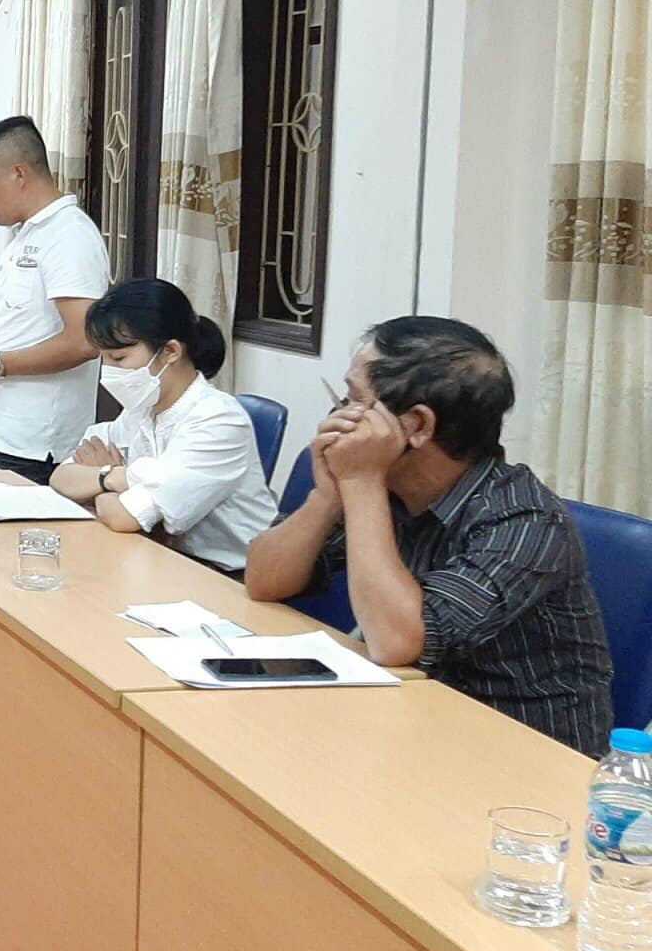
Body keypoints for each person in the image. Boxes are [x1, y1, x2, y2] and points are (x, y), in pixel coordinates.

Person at [244, 317, 614, 755]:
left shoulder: (525, 521)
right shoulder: (389, 487)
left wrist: (360, 482)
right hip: (416, 720)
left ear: (418, 425)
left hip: (523, 754)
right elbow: (263, 580)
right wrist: (327, 498)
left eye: (354, 400)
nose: (337, 415)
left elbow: (395, 643)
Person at [50, 279, 275, 574]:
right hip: (161, 556)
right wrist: (113, 477)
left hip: (230, 576)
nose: (109, 372)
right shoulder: (142, 409)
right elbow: (62, 478)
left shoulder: (218, 420)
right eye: (104, 359)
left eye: (118, 358)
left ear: (170, 351)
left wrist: (101, 481)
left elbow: (125, 517)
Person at [0, 115, 109, 485]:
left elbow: (85, 341)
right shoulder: (26, 236)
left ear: (18, 174)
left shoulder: (69, 236)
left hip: (30, 443)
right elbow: (24, 331)